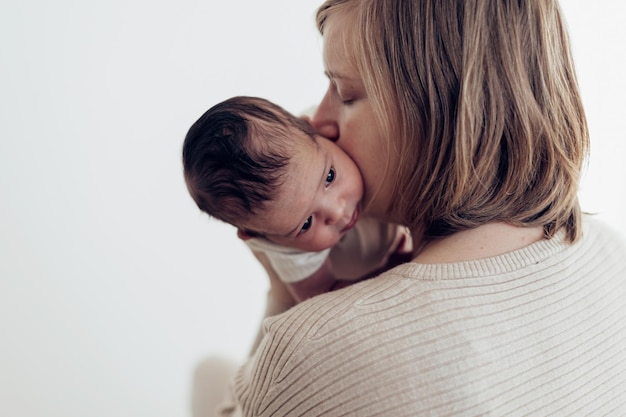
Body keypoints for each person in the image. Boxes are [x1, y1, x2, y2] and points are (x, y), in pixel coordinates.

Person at [207, 0, 626, 415]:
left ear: (439, 113)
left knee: (208, 374)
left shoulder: (312, 348)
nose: (318, 120)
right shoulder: (611, 251)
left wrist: (284, 280)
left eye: (346, 93)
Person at [182, 96, 412, 304]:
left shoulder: (332, 127)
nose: (336, 211)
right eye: (306, 224)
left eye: (329, 177)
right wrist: (387, 272)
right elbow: (324, 300)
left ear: (317, 129)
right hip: (287, 303)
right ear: (260, 236)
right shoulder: (283, 249)